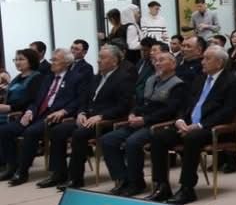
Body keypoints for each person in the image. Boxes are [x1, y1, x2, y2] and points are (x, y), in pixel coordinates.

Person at [145, 45, 236, 205]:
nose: (202, 62)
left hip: (213, 128)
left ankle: (187, 188)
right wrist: (180, 120)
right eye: (203, 58)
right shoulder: (200, 79)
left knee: (192, 138)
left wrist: (200, 125)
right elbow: (186, 104)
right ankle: (162, 186)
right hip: (188, 126)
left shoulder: (232, 81)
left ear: (219, 63)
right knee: (158, 137)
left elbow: (227, 112)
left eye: (207, 59)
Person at [41, 45, 136, 191]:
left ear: (114, 61)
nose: (98, 61)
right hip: (88, 118)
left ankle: (75, 178)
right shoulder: (97, 77)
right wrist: (81, 112)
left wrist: (101, 116)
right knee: (58, 130)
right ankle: (58, 173)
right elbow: (84, 100)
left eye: (102, 58)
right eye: (98, 57)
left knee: (79, 134)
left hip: (107, 122)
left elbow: (123, 106)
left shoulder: (124, 78)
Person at [99, 50, 187, 197]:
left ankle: (136, 182)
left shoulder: (178, 85)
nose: (157, 63)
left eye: (161, 60)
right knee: (108, 140)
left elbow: (170, 110)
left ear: (173, 64)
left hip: (158, 124)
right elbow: (140, 102)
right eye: (155, 61)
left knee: (132, 142)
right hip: (139, 121)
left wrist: (145, 120)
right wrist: (133, 113)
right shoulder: (151, 80)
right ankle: (123, 179)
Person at [0, 49, 84, 186]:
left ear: (66, 63)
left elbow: (79, 100)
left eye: (55, 60)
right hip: (38, 114)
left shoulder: (76, 78)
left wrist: (64, 111)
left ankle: (22, 172)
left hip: (55, 115)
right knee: (5, 130)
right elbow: (37, 100)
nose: (52, 62)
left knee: (30, 132)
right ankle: (11, 166)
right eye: (52, 59)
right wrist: (30, 111)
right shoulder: (48, 78)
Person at [0, 49, 43, 179]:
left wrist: (9, 108)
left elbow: (33, 101)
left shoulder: (37, 77)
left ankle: (11, 165)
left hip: (25, 114)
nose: (17, 62)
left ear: (31, 61)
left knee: (4, 130)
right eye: (16, 59)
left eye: (21, 59)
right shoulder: (17, 78)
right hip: (10, 112)